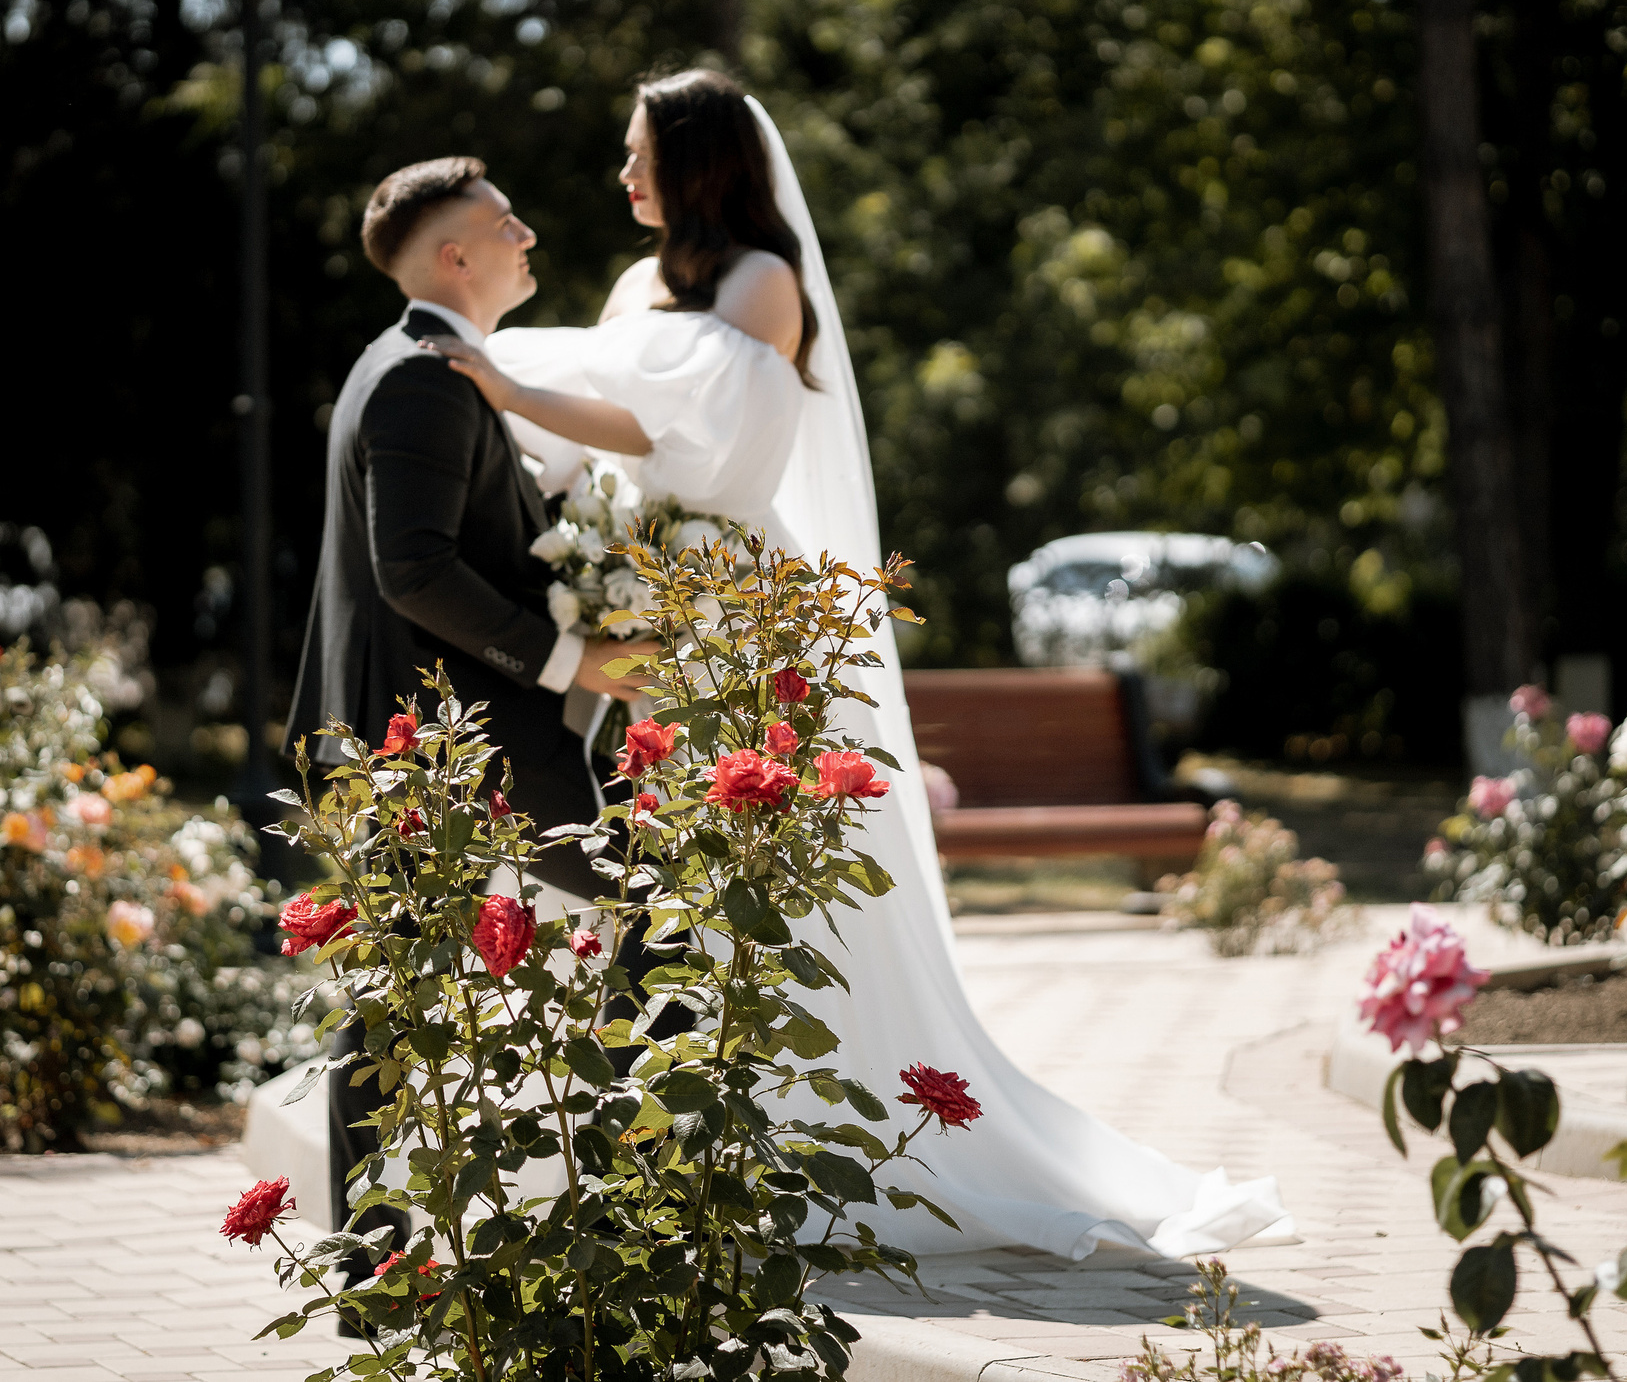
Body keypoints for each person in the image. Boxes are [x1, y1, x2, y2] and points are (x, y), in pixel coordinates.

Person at [421, 69, 1293, 1262]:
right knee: (648, 856)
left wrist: (514, 385)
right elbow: (593, 433)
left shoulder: (761, 283)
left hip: (729, 598)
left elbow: (685, 436)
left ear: (697, 161)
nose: (620, 175)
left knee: (743, 855)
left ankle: (780, 1136)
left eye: (638, 154)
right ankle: (666, 1131)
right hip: (641, 591)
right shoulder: (638, 281)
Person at [279, 155, 650, 1258]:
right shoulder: (421, 378)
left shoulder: (405, 365)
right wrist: (568, 661)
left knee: (397, 984)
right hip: (440, 737)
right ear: (455, 255)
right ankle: (625, 1197)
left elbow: (459, 530)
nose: (527, 236)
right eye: (507, 224)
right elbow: (413, 572)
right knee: (647, 918)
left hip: (425, 734)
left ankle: (373, 1240)